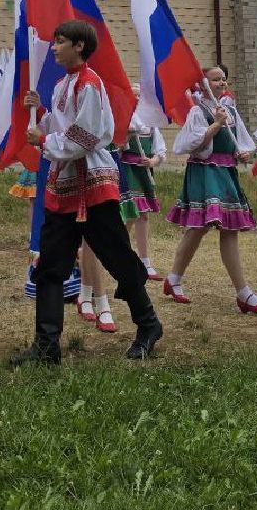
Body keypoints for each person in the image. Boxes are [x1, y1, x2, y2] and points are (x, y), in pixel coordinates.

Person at [12, 20, 162, 365]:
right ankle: (46, 346)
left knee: (117, 257)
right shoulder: (62, 85)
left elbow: (85, 137)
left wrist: (44, 140)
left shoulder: (90, 84)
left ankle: (149, 324)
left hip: (92, 185)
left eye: (60, 41)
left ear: (79, 46)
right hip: (65, 186)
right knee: (51, 264)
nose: (54, 47)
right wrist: (40, 113)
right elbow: (63, 126)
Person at [163, 66, 257, 313]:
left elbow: (242, 141)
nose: (222, 82)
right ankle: (176, 279)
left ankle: (241, 293)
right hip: (204, 171)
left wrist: (243, 153)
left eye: (224, 79)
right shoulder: (197, 111)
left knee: (226, 229)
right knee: (199, 227)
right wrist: (216, 124)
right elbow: (191, 145)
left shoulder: (230, 110)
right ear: (203, 84)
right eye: (215, 79)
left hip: (226, 172)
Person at [117, 85, 166, 279]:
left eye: (139, 96)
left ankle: (145, 260)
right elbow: (117, 148)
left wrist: (152, 161)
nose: (136, 99)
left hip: (144, 171)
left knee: (143, 215)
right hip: (127, 170)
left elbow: (160, 150)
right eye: (133, 96)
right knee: (129, 214)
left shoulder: (151, 124)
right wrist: (125, 137)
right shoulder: (123, 120)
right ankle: (121, 255)